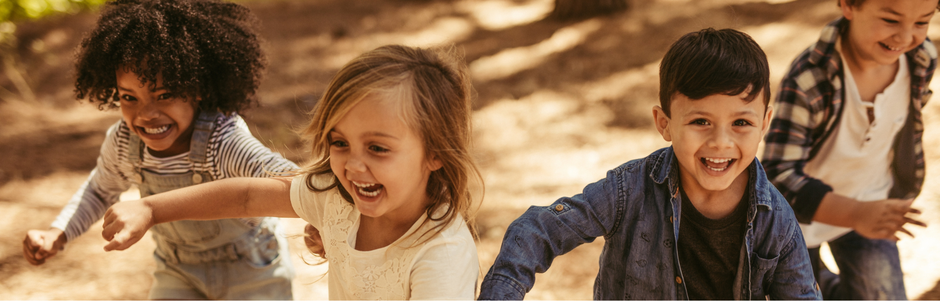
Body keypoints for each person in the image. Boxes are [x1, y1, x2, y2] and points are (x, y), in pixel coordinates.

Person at [99, 44, 483, 300]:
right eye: (339, 143)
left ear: (436, 153)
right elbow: (248, 195)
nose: (352, 164)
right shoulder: (336, 198)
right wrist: (152, 209)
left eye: (378, 148)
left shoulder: (440, 254)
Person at [478, 28, 820, 300]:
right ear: (664, 123)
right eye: (700, 121)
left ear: (765, 122)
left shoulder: (776, 220)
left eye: (741, 123)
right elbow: (537, 231)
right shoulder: (628, 191)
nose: (720, 142)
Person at [21, 0, 298, 299]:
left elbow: (286, 180)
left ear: (199, 88)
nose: (146, 113)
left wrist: (318, 217)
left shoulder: (222, 139)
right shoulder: (125, 142)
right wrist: (57, 233)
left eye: (164, 94)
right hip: (177, 270)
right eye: (129, 97)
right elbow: (100, 190)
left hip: (251, 268)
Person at [761, 0, 936, 299]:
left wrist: (876, 204)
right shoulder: (810, 79)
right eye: (891, 20)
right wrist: (855, 213)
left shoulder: (921, 59)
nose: (906, 37)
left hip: (871, 202)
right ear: (848, 5)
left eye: (922, 22)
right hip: (800, 220)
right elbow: (778, 174)